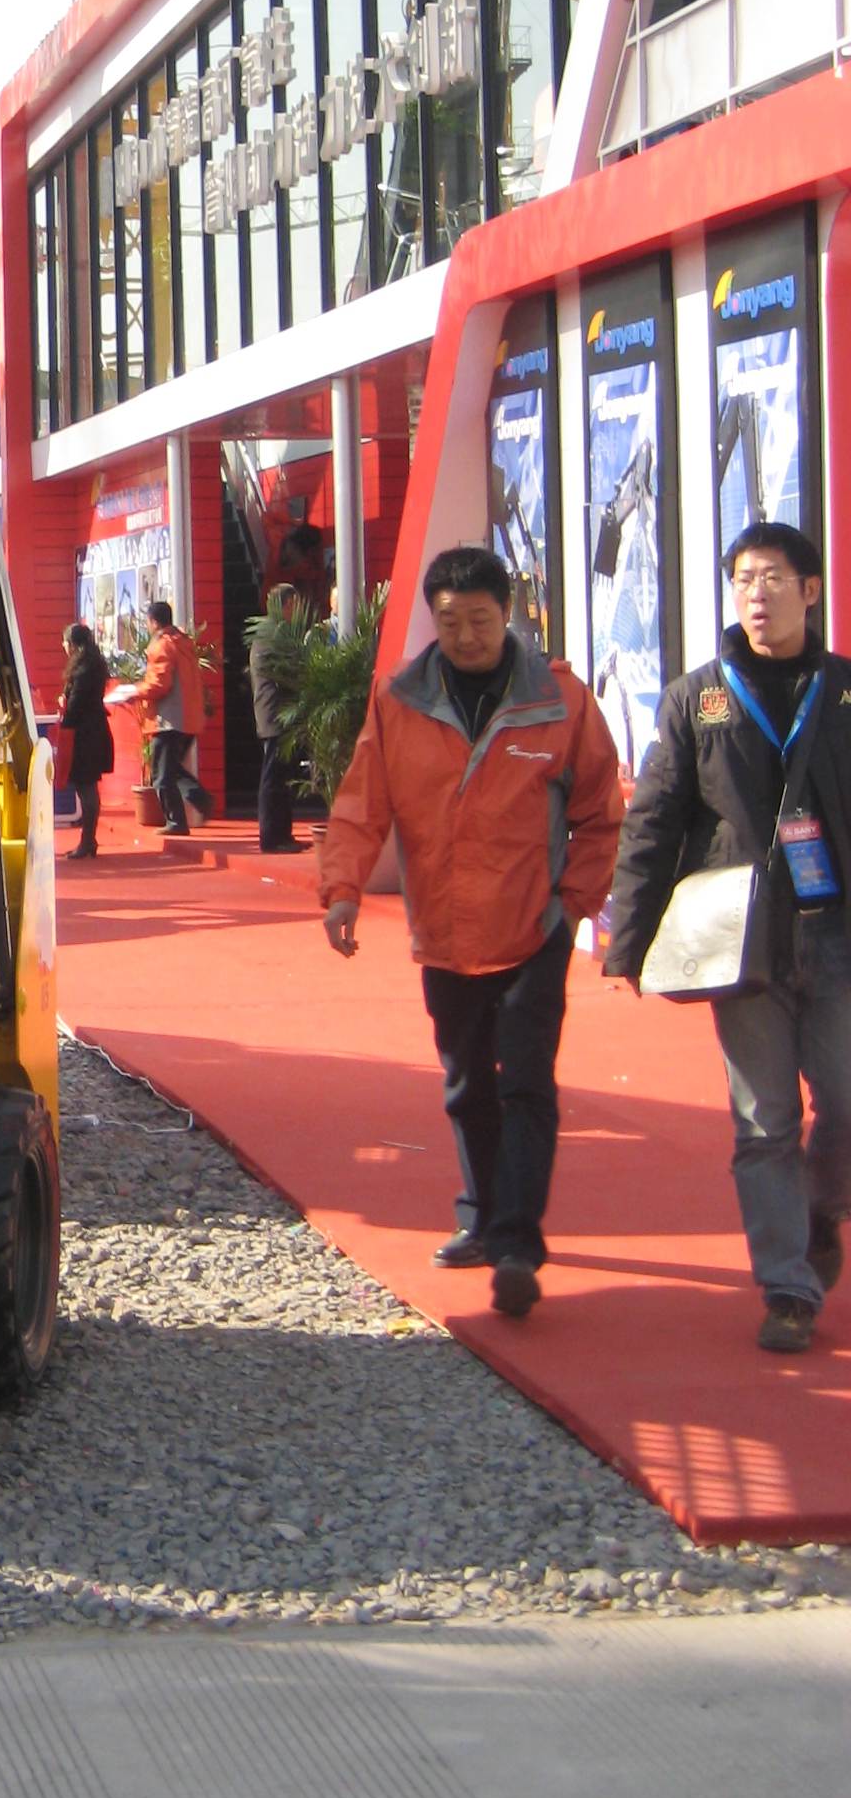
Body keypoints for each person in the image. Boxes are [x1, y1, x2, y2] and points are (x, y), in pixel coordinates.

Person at [320, 542, 621, 1317]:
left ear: (508, 616)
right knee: (464, 1084)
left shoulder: (557, 700)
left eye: (480, 620)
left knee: (524, 1082)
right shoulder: (400, 699)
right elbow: (363, 802)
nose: (466, 636)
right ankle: (481, 1217)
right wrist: (343, 889)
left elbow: (599, 810)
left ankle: (518, 1241)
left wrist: (577, 903)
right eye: (450, 622)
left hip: (533, 924)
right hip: (446, 930)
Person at [604, 521, 851, 1354]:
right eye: (744, 578)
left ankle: (819, 1205)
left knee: (846, 1105)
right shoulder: (697, 697)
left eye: (774, 577)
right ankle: (787, 1287)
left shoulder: (847, 690)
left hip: (839, 937)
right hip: (741, 942)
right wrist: (627, 939)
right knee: (763, 1122)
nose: (757, 593)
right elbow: (654, 822)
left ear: (809, 592)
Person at [141, 600, 211, 833]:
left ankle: (176, 820)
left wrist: (134, 691)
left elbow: (159, 684)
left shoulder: (162, 646)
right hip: (188, 718)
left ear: (153, 622)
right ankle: (198, 798)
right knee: (170, 769)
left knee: (161, 775)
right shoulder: (183, 643)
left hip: (167, 719)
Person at [250, 584, 306, 852]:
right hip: (275, 714)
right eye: (294, 605)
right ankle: (271, 837)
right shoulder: (271, 634)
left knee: (283, 778)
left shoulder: (273, 633)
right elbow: (283, 673)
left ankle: (283, 833)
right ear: (285, 605)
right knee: (273, 778)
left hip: (280, 714)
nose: (297, 611)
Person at [59, 620, 114, 858]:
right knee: (88, 785)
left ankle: (88, 841)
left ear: (72, 644)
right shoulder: (94, 664)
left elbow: (76, 705)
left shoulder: (83, 669)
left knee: (85, 785)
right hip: (95, 730)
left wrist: (64, 709)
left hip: (85, 735)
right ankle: (88, 840)